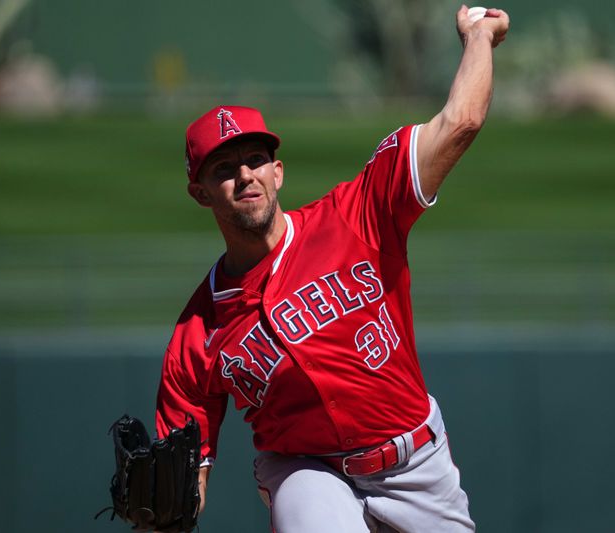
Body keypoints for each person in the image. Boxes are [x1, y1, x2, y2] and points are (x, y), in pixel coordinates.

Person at [155, 6, 510, 532]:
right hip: (306, 470)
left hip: (414, 464)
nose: (245, 176)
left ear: (278, 171)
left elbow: (461, 122)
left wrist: (479, 37)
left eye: (255, 160)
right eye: (224, 169)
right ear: (200, 193)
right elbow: (181, 489)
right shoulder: (197, 333)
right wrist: (165, 512)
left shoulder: (357, 214)